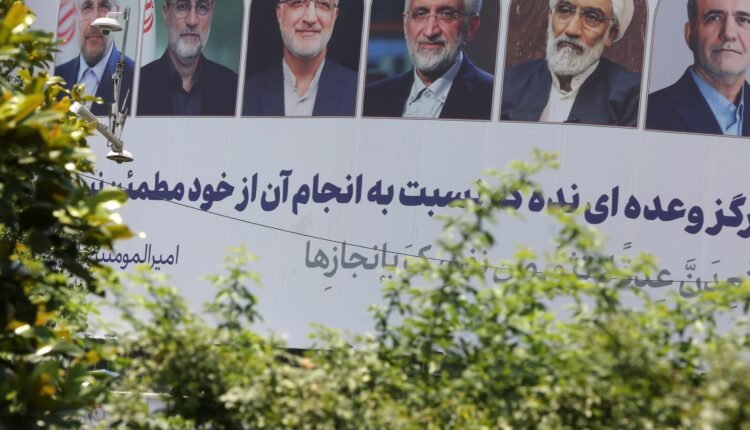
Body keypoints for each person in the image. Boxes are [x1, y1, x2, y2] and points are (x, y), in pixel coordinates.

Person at [501, 0, 640, 126]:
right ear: (550, 17)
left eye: (592, 17)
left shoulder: (632, 96)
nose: (572, 30)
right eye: (565, 10)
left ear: (610, 34)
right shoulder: (509, 81)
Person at [362, 0, 494, 120]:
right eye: (420, 14)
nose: (430, 31)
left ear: (471, 27)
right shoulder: (369, 98)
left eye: (446, 14)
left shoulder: (495, 98)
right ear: (405, 23)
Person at [647, 0, 750, 136]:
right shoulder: (648, 113)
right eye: (714, 18)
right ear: (690, 34)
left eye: (743, 20)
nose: (729, 33)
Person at [242, 0, 357, 117]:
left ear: (334, 16)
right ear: (280, 13)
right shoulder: (245, 95)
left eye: (323, 4)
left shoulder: (358, 92)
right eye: (298, 2)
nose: (310, 18)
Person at [137, 0, 238, 116]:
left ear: (211, 14)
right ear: (165, 13)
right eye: (182, 6)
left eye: (202, 7)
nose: (192, 21)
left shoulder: (233, 88)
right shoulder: (135, 87)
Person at [55, 0, 135, 116]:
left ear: (116, 14)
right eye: (87, 8)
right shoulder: (54, 78)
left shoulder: (136, 80)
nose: (94, 21)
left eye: (104, 7)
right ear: (76, 15)